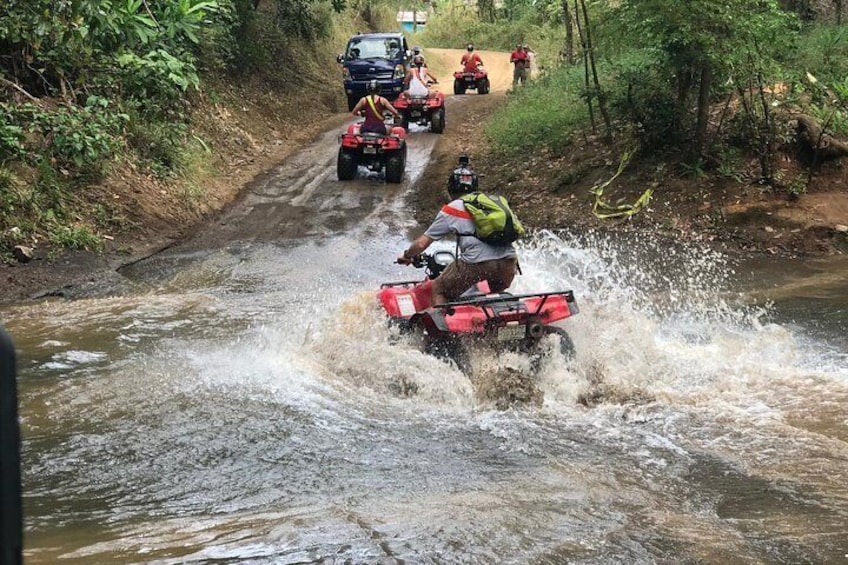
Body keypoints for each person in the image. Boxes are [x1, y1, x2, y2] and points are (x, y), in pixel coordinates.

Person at [397, 154, 519, 305]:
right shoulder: (490, 203)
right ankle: (494, 323)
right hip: (508, 263)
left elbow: (421, 244)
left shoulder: (452, 209)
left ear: (450, 189)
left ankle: (443, 325)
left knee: (439, 288)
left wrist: (407, 255)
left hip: (478, 264)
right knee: (490, 296)